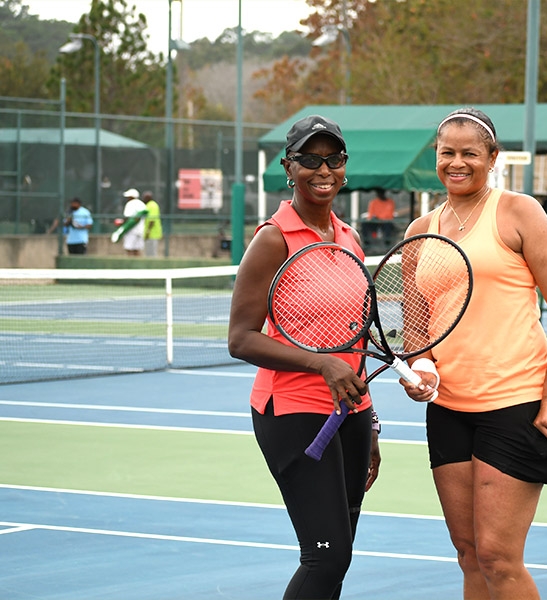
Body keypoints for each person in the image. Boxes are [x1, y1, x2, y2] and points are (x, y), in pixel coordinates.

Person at [400, 108, 547, 600]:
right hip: (448, 410)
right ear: (436, 157)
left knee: (499, 558)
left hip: (516, 404)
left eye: (469, 153)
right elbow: (416, 327)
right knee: (469, 554)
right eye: (447, 153)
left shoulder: (519, 212)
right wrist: (421, 368)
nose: (457, 163)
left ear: (492, 158)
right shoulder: (420, 230)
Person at [227, 115, 381, 600]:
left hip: (350, 413)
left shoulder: (349, 237)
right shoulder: (273, 239)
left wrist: (370, 419)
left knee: (339, 557)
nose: (324, 170)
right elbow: (240, 339)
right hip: (293, 411)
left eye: (334, 159)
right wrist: (320, 364)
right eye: (310, 159)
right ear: (288, 167)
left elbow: (354, 340)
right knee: (326, 555)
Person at [121, 188, 146, 256]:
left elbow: (127, 217)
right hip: (140, 230)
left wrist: (121, 223)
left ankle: (129, 262)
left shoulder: (130, 204)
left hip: (131, 230)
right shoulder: (142, 204)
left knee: (129, 249)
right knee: (137, 250)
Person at [142, 191, 163, 257]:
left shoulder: (152, 205)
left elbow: (152, 220)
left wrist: (148, 231)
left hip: (152, 233)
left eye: (145, 198)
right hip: (150, 233)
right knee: (148, 252)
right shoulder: (148, 205)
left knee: (151, 253)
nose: (143, 199)